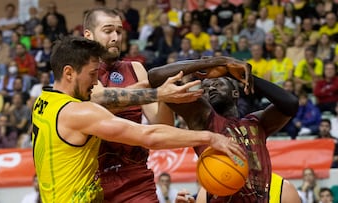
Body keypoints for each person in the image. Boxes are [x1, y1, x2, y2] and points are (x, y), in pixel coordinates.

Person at [32, 36, 245, 203]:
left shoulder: (43, 102)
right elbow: (149, 135)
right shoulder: (78, 113)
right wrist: (209, 137)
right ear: (69, 73)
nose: (96, 81)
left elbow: (114, 97)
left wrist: (156, 92)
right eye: (92, 74)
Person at [82, 7, 199, 202]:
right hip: (94, 181)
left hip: (136, 180)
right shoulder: (82, 70)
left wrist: (166, 94)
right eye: (108, 30)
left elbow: (162, 126)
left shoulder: (135, 68)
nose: (115, 37)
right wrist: (153, 89)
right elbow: (101, 101)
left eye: (119, 31)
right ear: (88, 35)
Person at [148, 56, 299, 202]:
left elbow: (290, 104)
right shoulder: (202, 118)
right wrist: (215, 62)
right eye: (205, 87)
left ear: (235, 92)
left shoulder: (257, 123)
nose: (211, 87)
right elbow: (155, 77)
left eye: (218, 83)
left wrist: (238, 74)